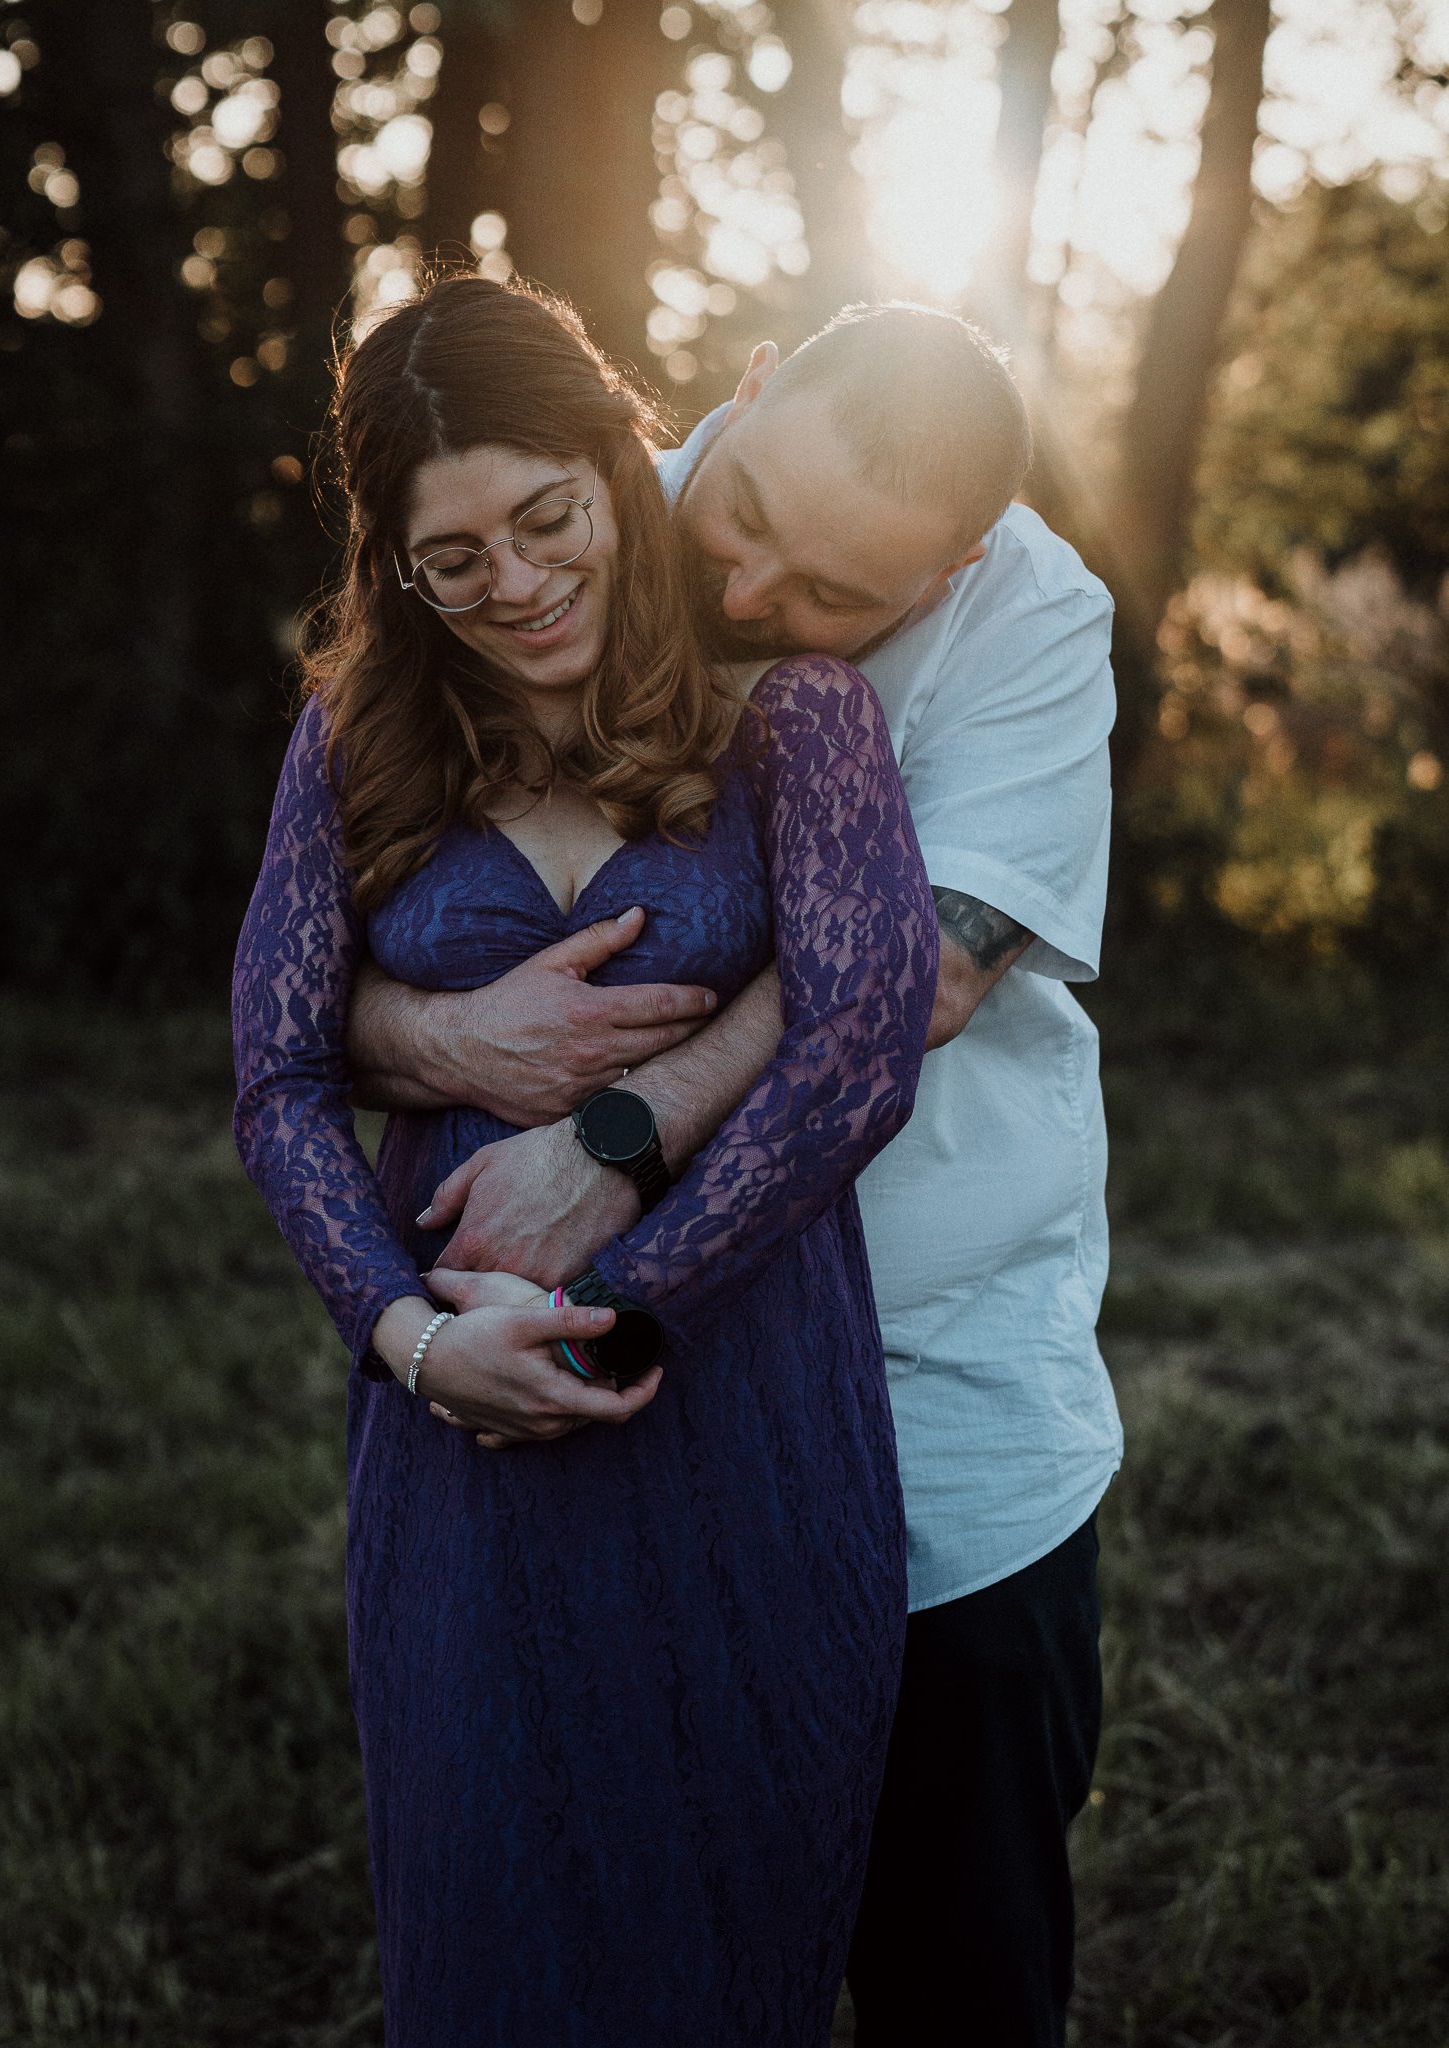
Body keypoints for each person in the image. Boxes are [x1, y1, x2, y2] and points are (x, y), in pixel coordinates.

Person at [347, 302, 1121, 2047]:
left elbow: (912, 976)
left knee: (955, 1972)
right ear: (748, 384)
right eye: (745, 512)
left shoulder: (1031, 612)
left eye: (835, 593)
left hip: (939, 1397)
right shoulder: (564, 529)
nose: (752, 591)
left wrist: (614, 1141)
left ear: (953, 568)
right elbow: (325, 949)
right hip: (629, 1429)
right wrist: (448, 1046)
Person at [231, 273, 939, 2048]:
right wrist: (416, 1345)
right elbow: (275, 1086)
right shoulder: (350, 747)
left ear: (621, 466)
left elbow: (859, 1047)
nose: (515, 585)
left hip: (742, 1407)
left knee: (736, 1935)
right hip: (457, 1445)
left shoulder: (792, 721)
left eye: (545, 518)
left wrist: (614, 1310)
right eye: (447, 559)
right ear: (392, 565)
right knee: (488, 1939)